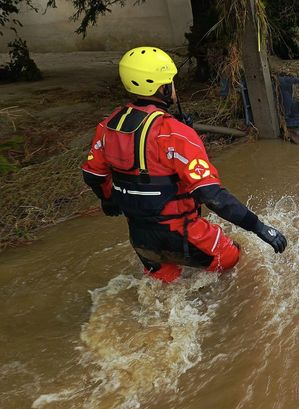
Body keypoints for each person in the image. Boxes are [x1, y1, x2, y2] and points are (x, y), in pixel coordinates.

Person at [81, 47, 287, 283]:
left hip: (141, 240)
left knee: (167, 288)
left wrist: (108, 199)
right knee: (237, 261)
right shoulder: (177, 134)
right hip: (184, 234)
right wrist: (259, 227)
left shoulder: (107, 126)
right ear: (162, 88)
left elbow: (93, 175)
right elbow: (212, 196)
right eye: (171, 81)